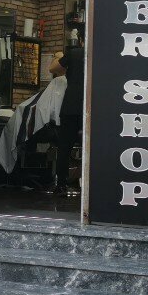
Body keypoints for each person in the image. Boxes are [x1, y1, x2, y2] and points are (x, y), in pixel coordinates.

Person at [49, 44, 84, 193]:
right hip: (91, 106)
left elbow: (53, 68)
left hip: (71, 105)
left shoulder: (74, 53)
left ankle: (61, 185)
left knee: (64, 146)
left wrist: (59, 56)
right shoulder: (100, 54)